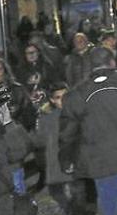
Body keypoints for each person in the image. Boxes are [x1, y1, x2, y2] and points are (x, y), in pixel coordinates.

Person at [59, 47, 117, 215]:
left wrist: (66, 160)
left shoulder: (76, 95)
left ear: (89, 66)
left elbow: (68, 134)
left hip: (99, 158)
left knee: (108, 202)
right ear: (112, 62)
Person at [32, 82, 88, 214]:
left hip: (75, 169)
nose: (63, 100)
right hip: (56, 170)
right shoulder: (47, 118)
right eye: (58, 97)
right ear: (52, 99)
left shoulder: (80, 115)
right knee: (64, 203)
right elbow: (39, 140)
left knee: (78, 203)